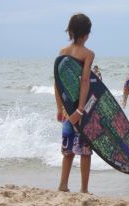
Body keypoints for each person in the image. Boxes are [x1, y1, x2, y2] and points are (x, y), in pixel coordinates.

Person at [54, 13, 95, 193]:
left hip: (66, 109)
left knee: (68, 150)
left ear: (70, 31)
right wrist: (80, 109)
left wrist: (59, 108)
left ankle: (63, 185)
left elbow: (57, 82)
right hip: (81, 110)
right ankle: (84, 190)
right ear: (86, 33)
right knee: (85, 152)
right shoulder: (88, 54)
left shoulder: (62, 52)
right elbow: (85, 81)